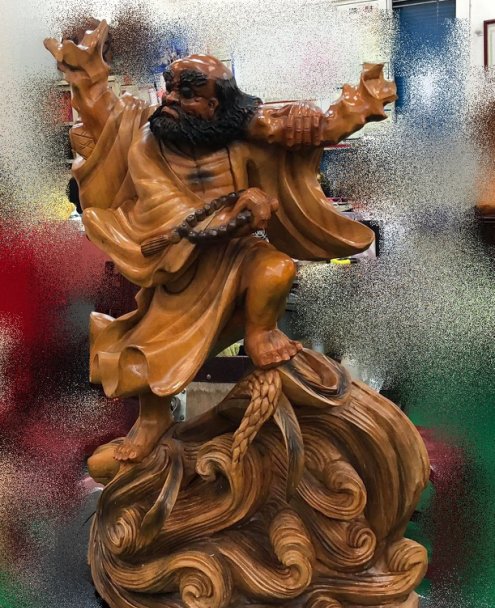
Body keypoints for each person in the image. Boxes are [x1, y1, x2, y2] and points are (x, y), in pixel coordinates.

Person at [45, 20, 396, 465]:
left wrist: (323, 118)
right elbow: (163, 204)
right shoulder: (149, 143)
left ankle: (261, 333)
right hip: (181, 266)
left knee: (277, 269)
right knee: (148, 350)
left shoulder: (244, 137)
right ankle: (152, 420)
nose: (171, 99)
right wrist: (233, 212)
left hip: (239, 255)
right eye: (170, 89)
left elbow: (309, 136)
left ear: (215, 104)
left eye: (188, 93)